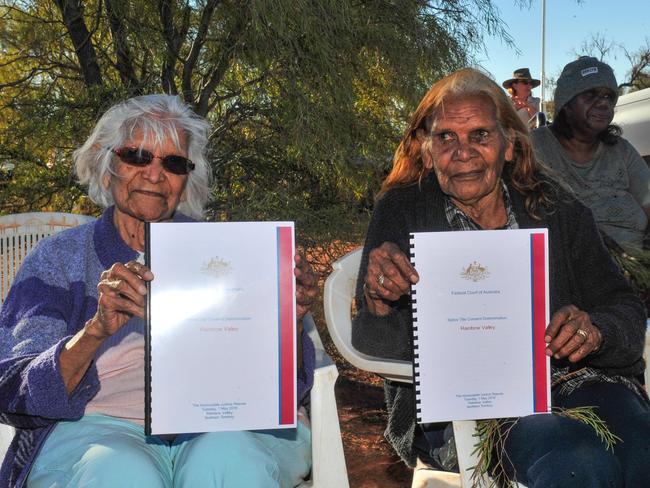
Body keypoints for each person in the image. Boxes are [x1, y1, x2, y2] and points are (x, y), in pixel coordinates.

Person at [0, 94, 317, 488]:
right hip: (97, 426)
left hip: (222, 420)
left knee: (229, 464)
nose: (154, 174)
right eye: (136, 156)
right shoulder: (60, 257)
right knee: (121, 476)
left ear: (186, 181)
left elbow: (290, 383)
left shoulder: (229, 253)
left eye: (173, 162)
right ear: (105, 167)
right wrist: (95, 331)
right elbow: (14, 385)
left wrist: (287, 316)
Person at [352, 68, 649, 486]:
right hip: (468, 406)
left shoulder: (557, 207)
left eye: (480, 135)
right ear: (425, 148)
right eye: (446, 137)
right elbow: (370, 342)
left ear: (509, 145)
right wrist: (380, 302)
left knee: (641, 444)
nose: (463, 153)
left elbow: (625, 308)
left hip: (577, 381)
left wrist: (595, 330)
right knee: (576, 459)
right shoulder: (402, 211)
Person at [531, 56, 650, 249]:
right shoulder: (534, 148)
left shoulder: (622, 151)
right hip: (568, 269)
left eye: (608, 97)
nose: (604, 104)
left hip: (635, 266)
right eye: (591, 95)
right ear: (566, 105)